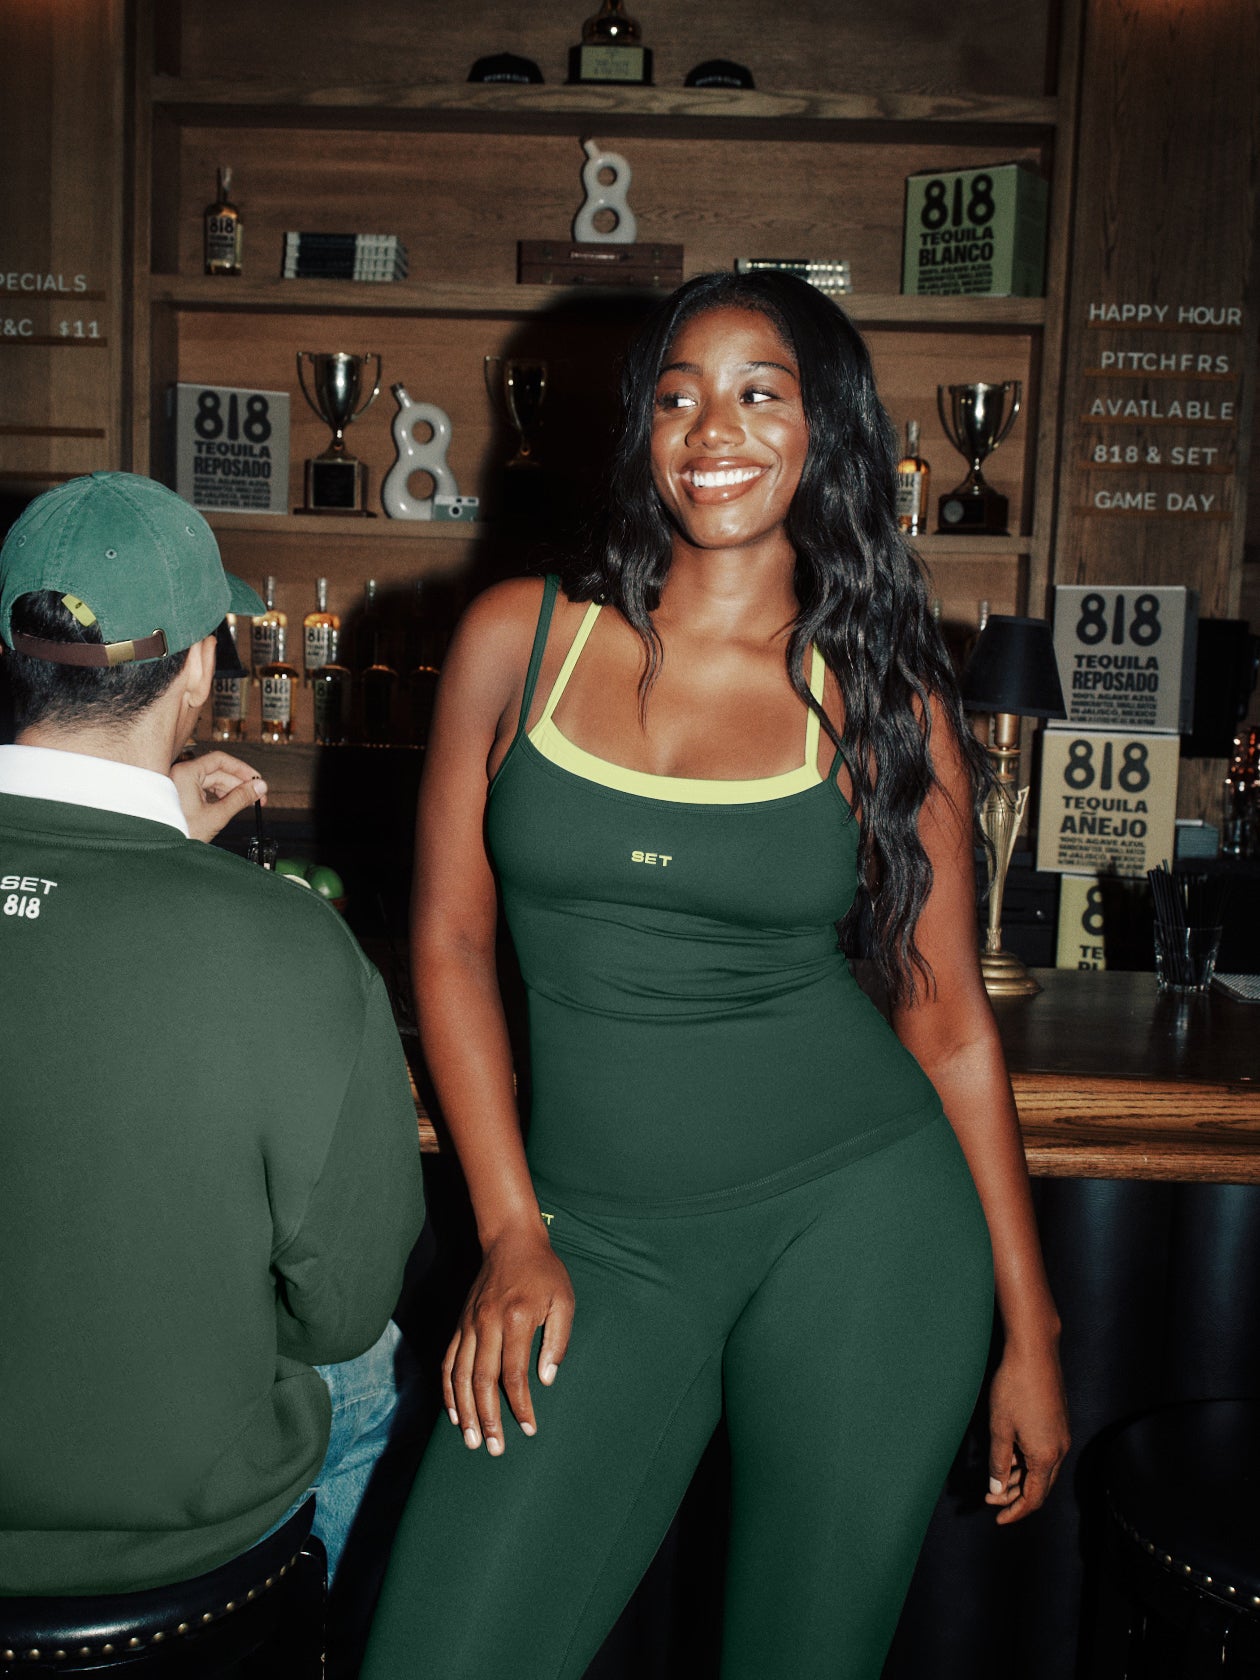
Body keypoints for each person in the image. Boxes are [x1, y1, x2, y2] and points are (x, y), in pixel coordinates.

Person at [363, 272, 1070, 1679]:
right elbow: (448, 943)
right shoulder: (522, 639)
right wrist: (510, 1232)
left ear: (827, 433)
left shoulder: (882, 695)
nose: (713, 429)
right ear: (642, 430)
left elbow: (946, 1025)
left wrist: (1032, 1326)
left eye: (761, 393)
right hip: (592, 1242)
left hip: (860, 1224)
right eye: (678, 395)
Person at [0, 472, 425, 1599]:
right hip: (174, 1544)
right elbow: (343, 1308)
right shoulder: (290, 949)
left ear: (10, 648)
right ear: (197, 667)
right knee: (376, 1365)